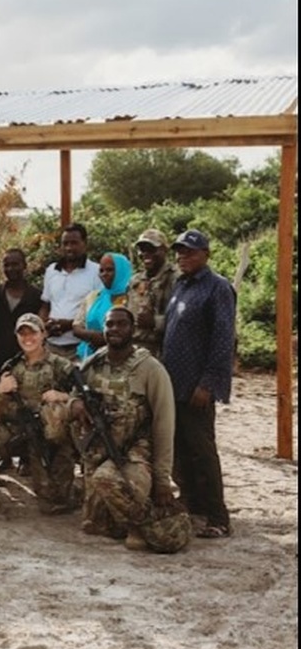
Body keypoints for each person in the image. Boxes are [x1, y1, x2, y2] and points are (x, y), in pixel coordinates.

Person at [70, 306, 184, 552]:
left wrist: (163, 479)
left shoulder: (150, 369)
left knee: (106, 480)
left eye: (121, 324)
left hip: (136, 453)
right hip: (100, 449)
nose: (115, 329)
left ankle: (145, 523)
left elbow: (164, 425)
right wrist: (76, 403)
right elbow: (74, 392)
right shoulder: (95, 362)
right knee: (94, 524)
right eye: (110, 324)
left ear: (133, 329)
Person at [0, 313, 74, 518]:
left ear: (43, 334)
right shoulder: (11, 365)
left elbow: (83, 395)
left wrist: (62, 396)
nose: (27, 338)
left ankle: (63, 491)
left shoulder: (60, 365)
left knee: (50, 503)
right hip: (12, 428)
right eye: (22, 333)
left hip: (46, 435)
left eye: (32, 332)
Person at [162, 229, 235, 539]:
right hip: (173, 384)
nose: (183, 256)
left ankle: (218, 517)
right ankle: (192, 503)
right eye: (179, 251)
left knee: (202, 450)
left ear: (206, 254)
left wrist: (207, 383)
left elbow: (223, 340)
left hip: (197, 387)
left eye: (190, 252)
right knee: (179, 449)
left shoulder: (217, 288)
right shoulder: (180, 285)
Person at [39, 223, 101, 361]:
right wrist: (44, 325)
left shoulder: (96, 272)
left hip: (80, 347)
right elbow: (45, 305)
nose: (69, 248)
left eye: (74, 243)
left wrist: (71, 324)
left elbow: (97, 311)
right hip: (52, 346)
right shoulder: (51, 270)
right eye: (65, 243)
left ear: (84, 244)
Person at [0, 248, 43, 377]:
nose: (10, 268)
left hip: (27, 355)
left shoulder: (35, 296)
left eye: (15, 264)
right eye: (7, 265)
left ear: (24, 265)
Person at [127, 228, 178, 358]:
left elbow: (184, 320)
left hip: (164, 350)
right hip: (135, 349)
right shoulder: (135, 280)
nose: (145, 254)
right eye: (142, 250)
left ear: (164, 250)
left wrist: (155, 321)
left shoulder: (176, 279)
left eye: (151, 249)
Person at [73, 252, 133, 360]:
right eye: (101, 270)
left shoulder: (133, 298)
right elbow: (77, 326)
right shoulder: (94, 296)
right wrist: (92, 336)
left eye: (109, 270)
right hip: (89, 357)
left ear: (121, 271)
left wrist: (106, 339)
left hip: (123, 358)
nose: (104, 274)